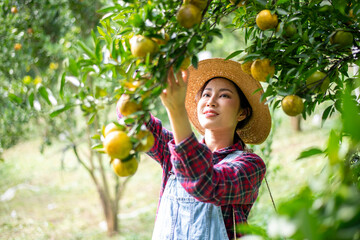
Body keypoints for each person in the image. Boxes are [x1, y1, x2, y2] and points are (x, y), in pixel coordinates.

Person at [117, 58, 271, 239]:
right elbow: (132, 120)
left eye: (224, 95)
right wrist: (144, 74)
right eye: (206, 94)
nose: (211, 101)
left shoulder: (250, 165)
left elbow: (206, 184)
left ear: (242, 113)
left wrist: (176, 111)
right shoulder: (172, 151)